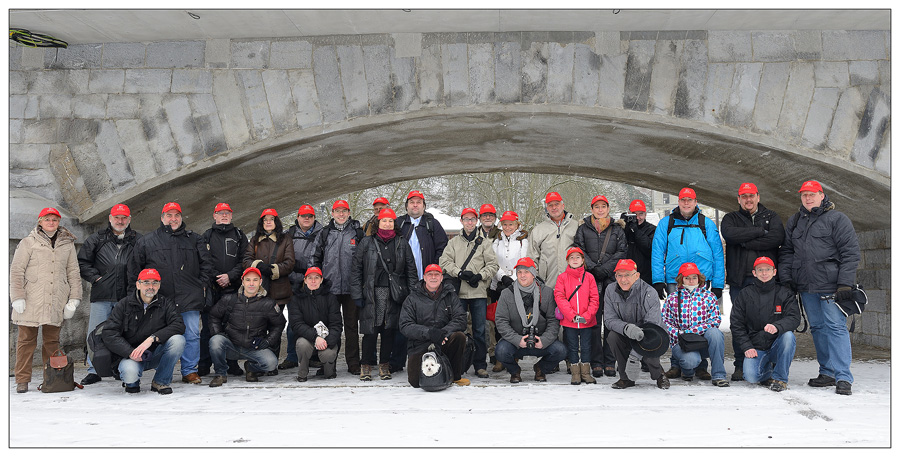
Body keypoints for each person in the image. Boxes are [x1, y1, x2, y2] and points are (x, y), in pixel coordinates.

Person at [779, 180, 860, 395]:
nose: (808, 198)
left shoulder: (837, 219)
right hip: (806, 286)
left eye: (812, 194)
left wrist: (845, 283)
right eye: (804, 194)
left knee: (835, 327)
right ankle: (827, 372)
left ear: (822, 195)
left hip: (831, 285)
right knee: (817, 328)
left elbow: (850, 253)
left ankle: (843, 376)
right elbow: (787, 252)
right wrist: (787, 278)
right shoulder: (795, 221)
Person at [128, 201, 213, 385]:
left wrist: (202, 285)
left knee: (191, 334)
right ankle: (163, 368)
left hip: (189, 296)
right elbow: (135, 268)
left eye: (176, 215)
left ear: (181, 218)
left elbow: (207, 265)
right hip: (160, 299)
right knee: (160, 335)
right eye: (169, 215)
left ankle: (190, 370)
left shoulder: (195, 239)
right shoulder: (147, 241)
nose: (173, 219)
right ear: (162, 218)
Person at [652, 187, 724, 381]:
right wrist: (658, 280)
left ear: (695, 202)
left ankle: (701, 365)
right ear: (679, 202)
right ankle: (677, 364)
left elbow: (717, 253)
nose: (686, 203)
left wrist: (717, 283)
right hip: (675, 278)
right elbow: (658, 252)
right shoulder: (666, 223)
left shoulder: (706, 224)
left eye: (689, 200)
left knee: (700, 319)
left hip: (700, 278)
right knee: (677, 318)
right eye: (683, 200)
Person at [10, 207, 82, 394]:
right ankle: (22, 379)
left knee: (52, 341)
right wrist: (17, 296)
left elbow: (73, 272)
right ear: (40, 221)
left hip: (55, 300)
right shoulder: (28, 242)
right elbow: (17, 271)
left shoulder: (67, 245)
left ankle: (51, 377)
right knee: (26, 341)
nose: (51, 222)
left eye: (55, 220)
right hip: (31, 299)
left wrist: (74, 299)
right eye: (47, 219)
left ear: (59, 223)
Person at [720, 183, 784, 381]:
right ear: (738, 199)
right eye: (744, 196)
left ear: (758, 196)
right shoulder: (731, 218)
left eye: (751, 196)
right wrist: (758, 231)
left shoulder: (772, 216)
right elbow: (730, 235)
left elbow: (776, 238)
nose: (748, 200)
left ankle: (768, 361)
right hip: (740, 280)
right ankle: (741, 363)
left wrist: (745, 240)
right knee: (740, 322)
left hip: (766, 281)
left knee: (768, 321)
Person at [351, 208, 418, 381]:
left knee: (389, 330)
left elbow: (411, 271)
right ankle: (365, 366)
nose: (387, 223)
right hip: (371, 293)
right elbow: (356, 270)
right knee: (370, 331)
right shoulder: (366, 243)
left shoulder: (402, 243)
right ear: (377, 223)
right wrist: (358, 294)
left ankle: (384, 365)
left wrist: (412, 295)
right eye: (384, 220)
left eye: (390, 221)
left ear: (394, 224)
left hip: (393, 294)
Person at [77, 203, 141, 385]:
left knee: (124, 333)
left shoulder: (137, 240)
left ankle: (119, 367)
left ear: (129, 219)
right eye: (117, 217)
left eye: (124, 218)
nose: (120, 221)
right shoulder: (96, 239)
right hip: (102, 295)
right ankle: (93, 369)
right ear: (110, 219)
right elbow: (82, 263)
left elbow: (146, 263)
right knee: (95, 333)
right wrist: (96, 278)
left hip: (127, 296)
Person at [102, 268, 185, 394]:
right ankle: (132, 382)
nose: (151, 286)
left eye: (155, 282)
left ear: (159, 285)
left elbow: (179, 325)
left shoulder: (166, 303)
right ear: (138, 285)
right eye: (146, 282)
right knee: (130, 374)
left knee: (178, 340)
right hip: (130, 355)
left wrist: (153, 338)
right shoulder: (124, 304)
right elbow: (109, 333)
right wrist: (130, 352)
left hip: (154, 353)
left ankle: (160, 381)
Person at [439, 207, 499, 378]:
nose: (470, 222)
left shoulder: (484, 243)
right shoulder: (454, 243)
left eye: (473, 219)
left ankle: (480, 364)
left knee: (480, 330)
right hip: (458, 293)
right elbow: (444, 261)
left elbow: (493, 265)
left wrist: (481, 275)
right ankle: (457, 362)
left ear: (477, 221)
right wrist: (458, 272)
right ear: (461, 221)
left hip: (478, 292)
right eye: (467, 219)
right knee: (458, 329)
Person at [393, 190, 448, 372]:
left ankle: (430, 358)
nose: (415, 205)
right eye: (412, 202)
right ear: (406, 205)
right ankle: (398, 361)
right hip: (404, 281)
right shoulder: (399, 223)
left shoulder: (432, 223)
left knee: (428, 320)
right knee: (404, 321)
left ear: (424, 206)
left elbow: (442, 249)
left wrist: (433, 271)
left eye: (418, 202)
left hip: (427, 281)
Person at [574, 195, 627, 378]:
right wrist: (593, 268)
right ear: (592, 209)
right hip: (591, 280)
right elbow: (578, 249)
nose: (600, 210)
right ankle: (596, 361)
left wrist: (605, 268)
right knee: (594, 323)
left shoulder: (616, 229)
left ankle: (610, 361)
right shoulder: (583, 229)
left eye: (603, 206)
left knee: (611, 322)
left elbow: (622, 251)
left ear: (608, 208)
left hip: (612, 280)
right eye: (597, 206)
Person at [730, 257, 800, 392]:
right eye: (760, 270)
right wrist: (746, 346)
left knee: (788, 336)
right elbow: (736, 324)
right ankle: (768, 370)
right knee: (751, 377)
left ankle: (780, 379)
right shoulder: (745, 294)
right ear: (754, 273)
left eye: (767, 269)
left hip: (776, 343)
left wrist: (778, 326)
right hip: (756, 346)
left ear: (774, 272)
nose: (764, 273)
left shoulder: (784, 293)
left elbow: (794, 318)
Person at [207, 267, 285, 386]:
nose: (251, 283)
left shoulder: (268, 303)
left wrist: (268, 341)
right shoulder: (229, 299)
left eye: (255, 280)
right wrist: (218, 333)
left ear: (260, 282)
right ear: (243, 282)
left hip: (254, 347)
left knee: (271, 363)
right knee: (215, 341)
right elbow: (213, 316)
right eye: (248, 280)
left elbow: (279, 324)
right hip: (231, 345)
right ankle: (220, 374)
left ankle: (251, 368)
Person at [313, 199, 365, 375]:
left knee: (351, 327)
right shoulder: (325, 233)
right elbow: (315, 258)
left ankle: (353, 363)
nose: (341, 214)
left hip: (352, 289)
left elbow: (364, 260)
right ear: (332, 213)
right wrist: (318, 281)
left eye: (344, 211)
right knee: (329, 327)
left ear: (349, 213)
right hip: (330, 288)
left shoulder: (357, 233)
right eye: (337, 211)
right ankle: (329, 363)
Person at [494, 257, 566, 383]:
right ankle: (514, 371)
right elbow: (501, 321)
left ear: (533, 274)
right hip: (516, 340)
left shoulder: (547, 293)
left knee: (560, 350)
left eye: (526, 272)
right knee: (500, 351)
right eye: (520, 272)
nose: (522, 275)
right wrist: (517, 339)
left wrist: (544, 340)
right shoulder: (506, 294)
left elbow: (553, 321)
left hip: (540, 339)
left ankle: (540, 369)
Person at [399, 264, 470, 388]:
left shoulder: (450, 295)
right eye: (430, 274)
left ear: (441, 277)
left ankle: (455, 375)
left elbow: (461, 319)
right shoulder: (412, 298)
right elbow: (405, 325)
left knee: (459, 336)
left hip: (444, 340)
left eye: (436, 274)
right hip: (420, 343)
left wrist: (442, 332)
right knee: (416, 382)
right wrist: (429, 333)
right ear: (424, 277)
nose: (433, 277)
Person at [603, 259, 669, 389]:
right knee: (612, 337)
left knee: (649, 350)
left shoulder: (649, 292)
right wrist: (626, 328)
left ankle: (660, 375)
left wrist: (634, 356)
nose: (623, 280)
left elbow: (652, 325)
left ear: (636, 276)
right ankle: (625, 378)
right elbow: (609, 320)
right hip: (626, 332)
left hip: (650, 334)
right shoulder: (610, 290)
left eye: (627, 275)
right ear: (615, 276)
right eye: (619, 275)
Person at [199, 202, 248, 377]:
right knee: (207, 328)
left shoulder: (239, 235)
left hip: (233, 289)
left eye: (227, 212)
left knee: (231, 328)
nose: (224, 215)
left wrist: (230, 276)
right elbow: (204, 261)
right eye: (220, 213)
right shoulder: (206, 236)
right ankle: (204, 363)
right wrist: (218, 276)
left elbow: (244, 260)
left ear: (232, 215)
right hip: (212, 289)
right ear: (214, 216)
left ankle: (231, 363)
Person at [243, 208, 295, 371]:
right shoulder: (254, 240)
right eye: (265, 219)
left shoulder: (285, 239)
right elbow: (246, 260)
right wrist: (258, 267)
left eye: (271, 219)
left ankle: (272, 361)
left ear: (276, 222)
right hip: (259, 290)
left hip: (279, 291)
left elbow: (289, 262)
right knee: (259, 326)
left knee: (276, 326)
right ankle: (261, 359)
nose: (268, 222)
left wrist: (272, 269)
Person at [661, 263, 729, 387]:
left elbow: (715, 320)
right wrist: (680, 334)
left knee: (716, 333)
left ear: (699, 278)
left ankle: (719, 375)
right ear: (681, 279)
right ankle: (687, 371)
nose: (691, 281)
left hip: (703, 341)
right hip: (682, 342)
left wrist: (693, 331)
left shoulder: (709, 296)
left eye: (694, 277)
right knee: (691, 361)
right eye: (687, 278)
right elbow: (665, 322)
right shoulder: (672, 298)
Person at [280, 204, 325, 370]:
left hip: (314, 282)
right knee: (295, 321)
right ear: (298, 217)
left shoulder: (322, 233)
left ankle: (313, 355)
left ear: (314, 218)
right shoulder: (288, 235)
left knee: (315, 320)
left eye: (310, 216)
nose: (307, 218)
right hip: (294, 283)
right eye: (303, 215)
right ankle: (292, 356)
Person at [287, 267, 343, 382]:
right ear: (305, 280)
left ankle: (329, 371)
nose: (313, 281)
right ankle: (302, 373)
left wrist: (328, 340)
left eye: (316, 278)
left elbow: (336, 324)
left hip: (327, 339)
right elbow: (296, 324)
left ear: (321, 280)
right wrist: (315, 337)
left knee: (328, 356)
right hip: (307, 338)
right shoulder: (296, 299)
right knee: (302, 344)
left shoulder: (331, 298)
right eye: (310, 278)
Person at [489, 210, 529, 372]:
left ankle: (515, 357)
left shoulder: (523, 241)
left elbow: (524, 261)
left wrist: (512, 279)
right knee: (499, 321)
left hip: (516, 284)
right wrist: (501, 277)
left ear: (517, 225)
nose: (507, 227)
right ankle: (501, 357)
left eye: (511, 224)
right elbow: (492, 260)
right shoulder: (496, 241)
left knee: (515, 322)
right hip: (497, 284)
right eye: (504, 224)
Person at [553, 247, 599, 385]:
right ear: (567, 260)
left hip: (587, 321)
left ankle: (586, 373)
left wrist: (588, 315)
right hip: (570, 321)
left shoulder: (589, 277)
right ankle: (575, 373)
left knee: (586, 346)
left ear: (583, 260)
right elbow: (559, 297)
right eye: (571, 257)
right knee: (572, 346)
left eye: (577, 257)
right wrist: (571, 315)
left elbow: (594, 298)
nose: (574, 260)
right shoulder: (562, 278)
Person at [528, 191, 578, 289]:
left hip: (572, 284)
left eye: (557, 204)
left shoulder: (576, 226)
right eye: (550, 205)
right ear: (547, 208)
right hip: (547, 285)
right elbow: (532, 258)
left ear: (563, 205)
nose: (554, 207)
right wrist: (536, 281)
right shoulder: (538, 230)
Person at [618, 199, 655, 280]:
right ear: (629, 214)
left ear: (645, 215)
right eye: (634, 215)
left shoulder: (652, 229)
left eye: (640, 214)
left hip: (645, 274)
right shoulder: (624, 229)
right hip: (626, 274)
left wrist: (636, 230)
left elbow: (649, 248)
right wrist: (621, 224)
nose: (638, 218)